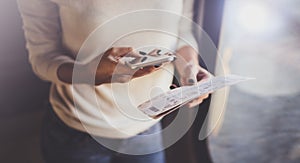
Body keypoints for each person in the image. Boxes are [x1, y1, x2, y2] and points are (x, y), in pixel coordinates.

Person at [17, 0, 211, 162]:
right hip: (79, 130)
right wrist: (86, 72)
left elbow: (183, 30)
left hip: (147, 127)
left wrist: (189, 66)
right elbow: (43, 58)